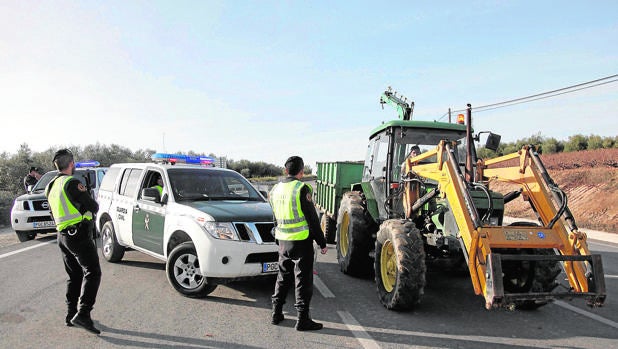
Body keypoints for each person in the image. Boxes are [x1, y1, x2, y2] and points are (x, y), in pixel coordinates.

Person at [44, 149, 102, 335]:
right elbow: (93, 206)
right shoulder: (72, 183)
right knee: (93, 272)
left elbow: (53, 213)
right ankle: (84, 314)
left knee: (74, 276)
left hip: (62, 236)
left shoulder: (50, 185)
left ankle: (70, 315)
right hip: (78, 235)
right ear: (71, 164)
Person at [269, 156, 328, 331]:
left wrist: (277, 236)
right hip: (301, 241)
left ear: (285, 171)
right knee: (302, 279)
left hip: (283, 240)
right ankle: (302, 320)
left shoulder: (275, 189)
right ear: (301, 172)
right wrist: (322, 242)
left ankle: (276, 313)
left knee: (282, 277)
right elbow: (312, 219)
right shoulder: (302, 188)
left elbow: (275, 217)